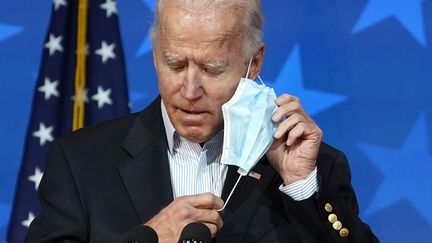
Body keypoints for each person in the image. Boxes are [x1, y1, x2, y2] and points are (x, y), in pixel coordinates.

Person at [26, 0, 379, 242]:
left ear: (253, 63)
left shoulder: (312, 168)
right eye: (174, 64)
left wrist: (302, 188)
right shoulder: (81, 162)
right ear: (155, 56)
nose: (189, 90)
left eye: (213, 68)